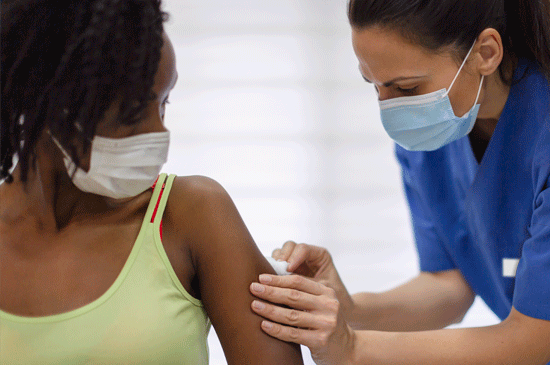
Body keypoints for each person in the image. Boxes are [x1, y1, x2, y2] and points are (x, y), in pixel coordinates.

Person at [0, 1, 304, 364]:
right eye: (131, 113)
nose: (160, 135)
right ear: (47, 101)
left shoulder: (192, 214)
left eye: (163, 105)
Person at [250, 0, 550, 364]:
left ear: (485, 53)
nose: (390, 109)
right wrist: (346, 308)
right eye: (373, 86)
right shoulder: (433, 137)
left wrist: (354, 349)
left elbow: (537, 337)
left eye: (406, 88)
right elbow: (450, 285)